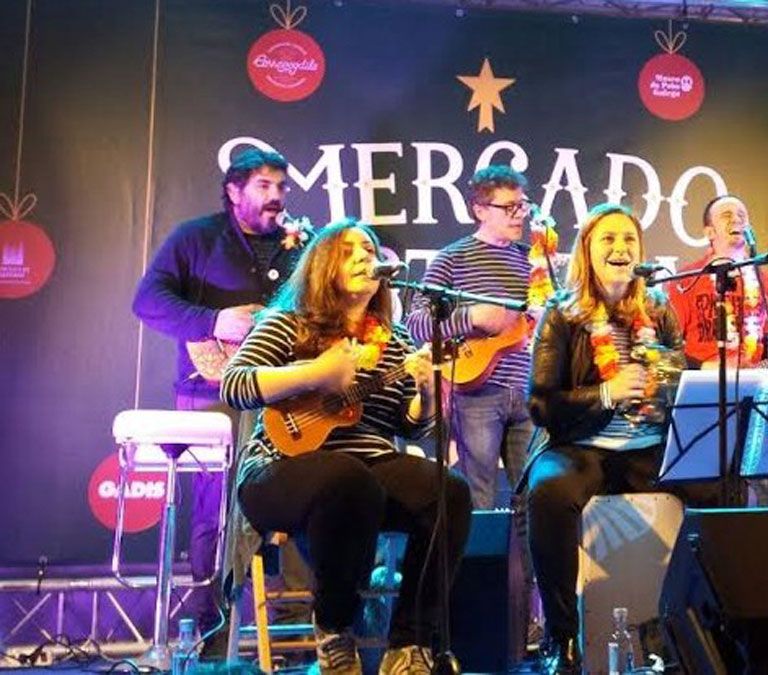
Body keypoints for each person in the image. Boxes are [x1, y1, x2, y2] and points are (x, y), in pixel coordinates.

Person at [220, 220, 472, 675]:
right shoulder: (288, 323)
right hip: (280, 467)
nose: (363, 256)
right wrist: (315, 373)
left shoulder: (393, 343)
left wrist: (428, 394)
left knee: (448, 489)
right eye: (349, 249)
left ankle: (410, 643)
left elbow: (408, 426)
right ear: (321, 265)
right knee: (347, 478)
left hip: (367, 469)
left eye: (370, 249)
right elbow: (235, 385)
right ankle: (334, 629)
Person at [525, 203, 719, 675]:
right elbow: (542, 404)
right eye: (608, 239)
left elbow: (681, 375)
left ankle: (700, 628)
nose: (620, 248)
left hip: (650, 445)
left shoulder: (657, 308)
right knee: (548, 494)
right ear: (587, 250)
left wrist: (671, 380)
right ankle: (561, 638)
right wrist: (606, 392)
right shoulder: (562, 315)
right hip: (581, 446)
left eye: (629, 240)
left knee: (720, 491)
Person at [131, 147, 310, 650]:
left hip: (284, 393)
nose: (276, 197)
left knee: (300, 495)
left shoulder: (300, 243)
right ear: (233, 192)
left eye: (281, 187)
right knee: (219, 507)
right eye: (263, 186)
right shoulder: (196, 238)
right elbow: (147, 300)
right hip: (212, 392)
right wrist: (212, 321)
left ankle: (294, 629)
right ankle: (212, 626)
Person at [405, 164, 538, 510]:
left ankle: (526, 568)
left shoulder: (532, 261)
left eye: (521, 205)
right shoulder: (453, 258)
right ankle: (477, 567)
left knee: (533, 499)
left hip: (526, 390)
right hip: (476, 392)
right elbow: (416, 323)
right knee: (476, 497)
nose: (518, 214)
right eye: (508, 207)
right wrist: (470, 317)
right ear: (479, 210)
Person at [667, 195, 768, 370]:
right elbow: (669, 348)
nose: (737, 219)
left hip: (753, 387)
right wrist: (702, 367)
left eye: (742, 215)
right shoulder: (686, 280)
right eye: (727, 215)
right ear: (710, 232)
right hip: (702, 385)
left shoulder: (767, 285)